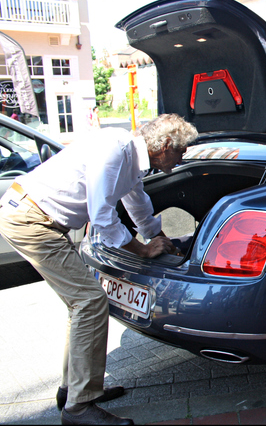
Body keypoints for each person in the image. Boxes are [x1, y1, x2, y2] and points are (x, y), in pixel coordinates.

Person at [0, 113, 198, 425]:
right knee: (90, 303)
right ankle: (79, 408)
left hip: (34, 216)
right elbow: (103, 216)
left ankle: (75, 390)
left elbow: (138, 206)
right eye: (182, 150)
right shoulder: (116, 150)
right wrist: (144, 249)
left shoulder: (131, 158)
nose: (183, 156)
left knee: (80, 305)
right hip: (31, 220)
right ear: (166, 145)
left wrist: (162, 239)